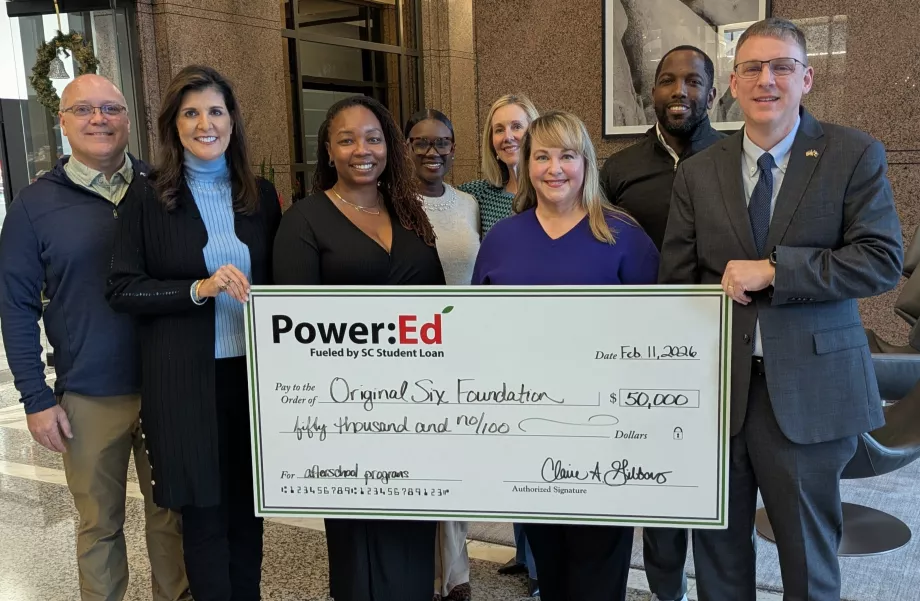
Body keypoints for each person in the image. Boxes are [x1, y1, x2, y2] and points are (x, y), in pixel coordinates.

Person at [658, 18, 903, 601]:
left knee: (807, 558)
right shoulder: (698, 172)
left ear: (807, 78)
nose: (765, 79)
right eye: (751, 68)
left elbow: (880, 260)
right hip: (717, 392)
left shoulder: (853, 153)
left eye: (781, 66)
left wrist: (777, 270)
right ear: (733, 85)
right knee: (716, 551)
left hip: (811, 392)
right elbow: (678, 275)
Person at [0, 74, 190, 601]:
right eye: (83, 110)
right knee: (98, 526)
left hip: (168, 386)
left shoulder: (165, 188)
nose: (98, 120)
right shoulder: (34, 206)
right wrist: (37, 400)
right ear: (62, 123)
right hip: (88, 395)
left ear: (129, 119)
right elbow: (15, 308)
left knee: (172, 521)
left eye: (111, 109)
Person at [106, 65, 281, 601]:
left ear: (232, 121)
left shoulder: (262, 195)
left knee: (249, 514)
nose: (206, 123)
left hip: (253, 381)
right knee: (204, 519)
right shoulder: (148, 197)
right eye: (191, 112)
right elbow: (122, 289)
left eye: (216, 111)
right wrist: (197, 289)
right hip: (185, 382)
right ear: (173, 125)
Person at [472, 111, 660, 601]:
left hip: (606, 435)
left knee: (598, 568)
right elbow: (480, 335)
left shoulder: (624, 238)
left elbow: (658, 343)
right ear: (526, 164)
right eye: (542, 157)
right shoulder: (501, 241)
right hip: (529, 432)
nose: (555, 169)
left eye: (567, 156)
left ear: (586, 163)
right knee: (550, 567)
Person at [273, 95, 444, 601]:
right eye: (346, 139)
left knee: (412, 536)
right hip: (345, 417)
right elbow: (297, 332)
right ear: (328, 150)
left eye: (372, 138)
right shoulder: (304, 222)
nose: (361, 149)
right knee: (360, 548)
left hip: (417, 411)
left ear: (389, 147)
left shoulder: (410, 214)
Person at [600, 44, 725, 601]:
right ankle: (666, 592)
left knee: (722, 485)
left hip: (723, 346)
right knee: (661, 487)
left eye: (694, 81)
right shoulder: (619, 169)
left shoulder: (736, 158)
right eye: (668, 81)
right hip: (644, 353)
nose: (681, 92)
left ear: (713, 92)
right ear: (649, 92)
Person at [404, 108, 477, 601]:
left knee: (455, 462)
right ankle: (421, 573)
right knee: (418, 461)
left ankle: (456, 574)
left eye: (442, 143)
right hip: (412, 348)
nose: (433, 152)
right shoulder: (393, 204)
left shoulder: (469, 204)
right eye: (422, 142)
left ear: (453, 147)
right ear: (407, 147)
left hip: (463, 347)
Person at [458, 93, 539, 236]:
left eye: (516, 126)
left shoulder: (551, 191)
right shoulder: (479, 194)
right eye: (499, 130)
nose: (507, 137)